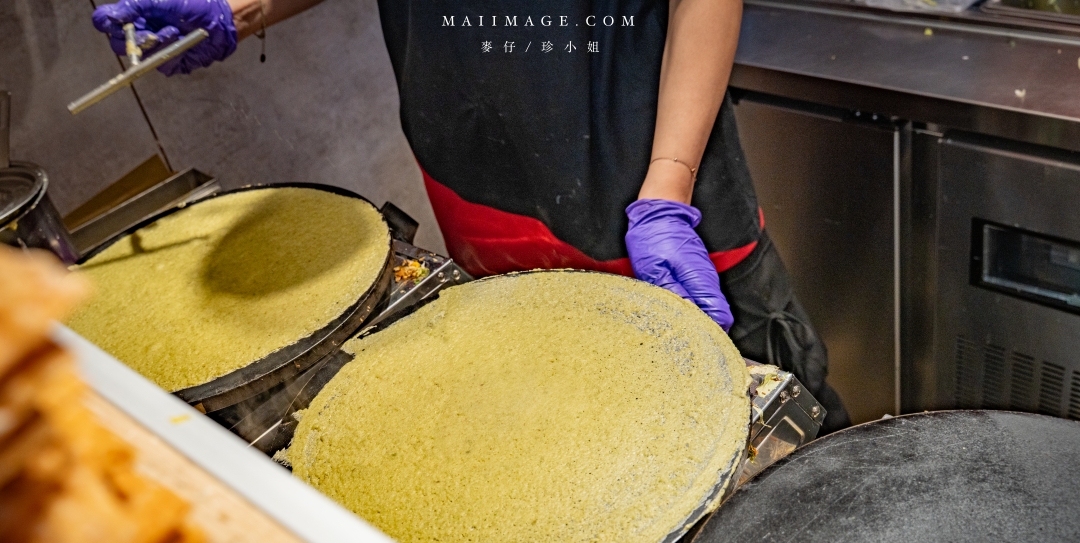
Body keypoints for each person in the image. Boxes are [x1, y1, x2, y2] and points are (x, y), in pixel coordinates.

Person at [91, 0, 850, 432]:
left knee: (763, 444)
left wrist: (668, 188)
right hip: (479, 189)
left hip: (646, 187)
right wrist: (237, 8)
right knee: (564, 436)